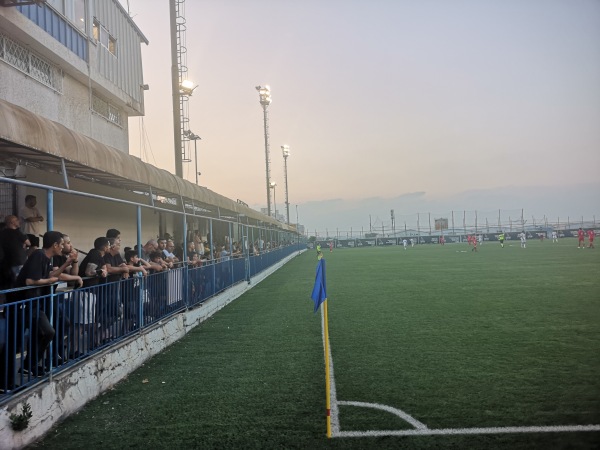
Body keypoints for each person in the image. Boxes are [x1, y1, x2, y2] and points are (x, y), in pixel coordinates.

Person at [16, 231, 74, 377]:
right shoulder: (38, 255)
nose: (62, 247)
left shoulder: (47, 258)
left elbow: (51, 275)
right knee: (47, 332)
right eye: (61, 244)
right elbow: (30, 281)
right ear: (54, 245)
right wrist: (50, 281)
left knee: (44, 333)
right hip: (25, 303)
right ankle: (26, 366)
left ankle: (29, 365)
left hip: (35, 302)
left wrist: (67, 263)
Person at [0, 215, 30, 282]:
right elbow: (29, 243)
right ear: (12, 222)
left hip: (7, 262)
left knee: (10, 282)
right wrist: (24, 243)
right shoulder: (17, 232)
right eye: (16, 220)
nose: (18, 221)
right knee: (20, 281)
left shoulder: (2, 233)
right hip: (19, 261)